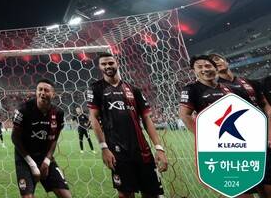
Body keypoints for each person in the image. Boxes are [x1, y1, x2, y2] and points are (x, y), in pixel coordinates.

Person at [88, 53, 167, 198]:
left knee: (152, 193)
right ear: (99, 67)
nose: (108, 66)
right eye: (104, 64)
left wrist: (159, 148)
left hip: (142, 150)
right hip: (117, 151)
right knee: (125, 194)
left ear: (117, 63)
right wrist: (104, 148)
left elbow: (147, 118)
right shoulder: (96, 89)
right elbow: (93, 117)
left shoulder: (133, 89)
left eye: (110, 63)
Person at [210, 53, 271, 197]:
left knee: (267, 183)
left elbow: (266, 106)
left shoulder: (249, 82)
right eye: (212, 62)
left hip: (263, 138)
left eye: (218, 59)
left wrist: (269, 133)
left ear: (226, 62)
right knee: (248, 184)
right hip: (240, 142)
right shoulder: (214, 90)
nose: (216, 62)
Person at [12, 79, 71, 198]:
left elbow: (54, 138)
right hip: (24, 157)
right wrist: (32, 164)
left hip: (44, 156)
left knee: (66, 195)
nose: (42, 93)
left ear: (53, 94)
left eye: (46, 90)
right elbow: (14, 138)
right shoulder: (23, 110)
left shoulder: (58, 113)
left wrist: (47, 160)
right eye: (40, 89)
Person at [178, 55, 233, 134]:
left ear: (216, 69)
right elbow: (184, 115)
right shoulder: (191, 89)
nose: (205, 69)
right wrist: (201, 135)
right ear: (194, 71)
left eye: (208, 66)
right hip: (215, 134)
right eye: (200, 67)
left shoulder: (228, 87)